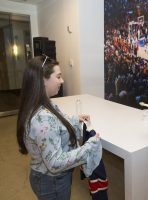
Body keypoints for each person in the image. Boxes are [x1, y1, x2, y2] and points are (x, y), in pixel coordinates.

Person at [16, 55, 102, 200]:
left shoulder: (42, 104)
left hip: (46, 178)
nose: (62, 81)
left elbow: (55, 122)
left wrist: (75, 119)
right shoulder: (42, 118)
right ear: (43, 80)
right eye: (58, 76)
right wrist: (88, 147)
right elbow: (55, 163)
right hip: (52, 183)